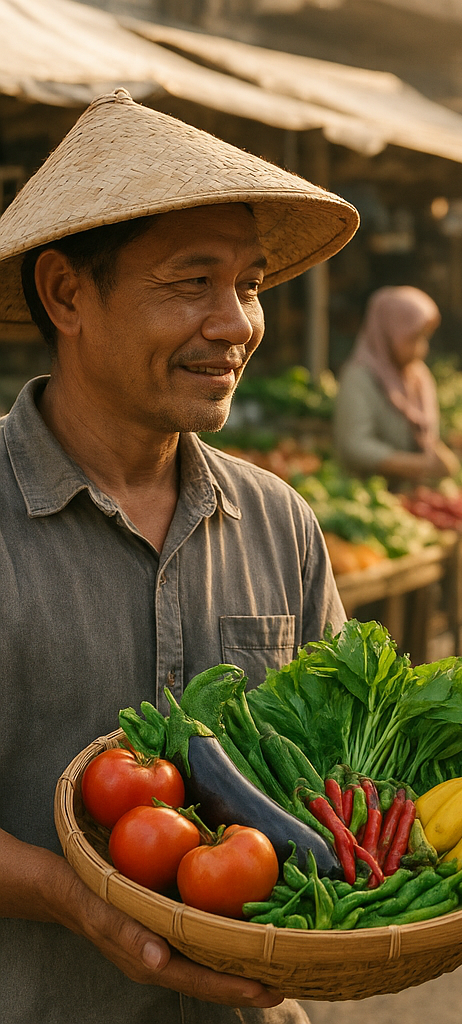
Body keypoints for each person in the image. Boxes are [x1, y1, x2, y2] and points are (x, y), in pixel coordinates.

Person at [0, 89, 360, 1024]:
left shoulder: (280, 521)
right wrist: (74, 897)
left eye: (246, 283)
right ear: (66, 294)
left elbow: (332, 772)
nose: (238, 323)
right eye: (190, 282)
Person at [333, 284, 460, 486]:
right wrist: (419, 465)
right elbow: (354, 446)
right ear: (388, 332)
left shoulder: (418, 376)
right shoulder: (358, 378)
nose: (421, 348)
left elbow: (425, 435)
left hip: (413, 495)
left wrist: (439, 455)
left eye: (424, 337)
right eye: (412, 338)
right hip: (369, 493)